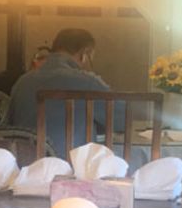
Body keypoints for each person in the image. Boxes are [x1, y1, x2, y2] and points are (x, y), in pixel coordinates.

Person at [7, 27, 121, 155]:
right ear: (85, 54)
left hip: (26, 165)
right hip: (72, 168)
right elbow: (120, 120)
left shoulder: (22, 81)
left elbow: (10, 123)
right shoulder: (87, 82)